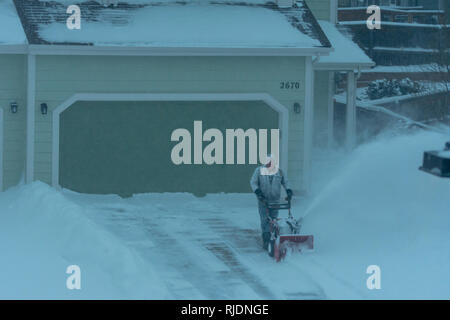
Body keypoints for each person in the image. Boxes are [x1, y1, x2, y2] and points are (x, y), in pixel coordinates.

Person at [250, 154, 293, 251]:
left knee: (274, 220)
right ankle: (266, 241)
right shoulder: (259, 171)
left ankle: (274, 239)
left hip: (275, 201)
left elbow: (286, 182)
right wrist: (258, 192)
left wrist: (289, 191)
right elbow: (253, 182)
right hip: (263, 200)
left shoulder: (279, 172)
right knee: (265, 220)